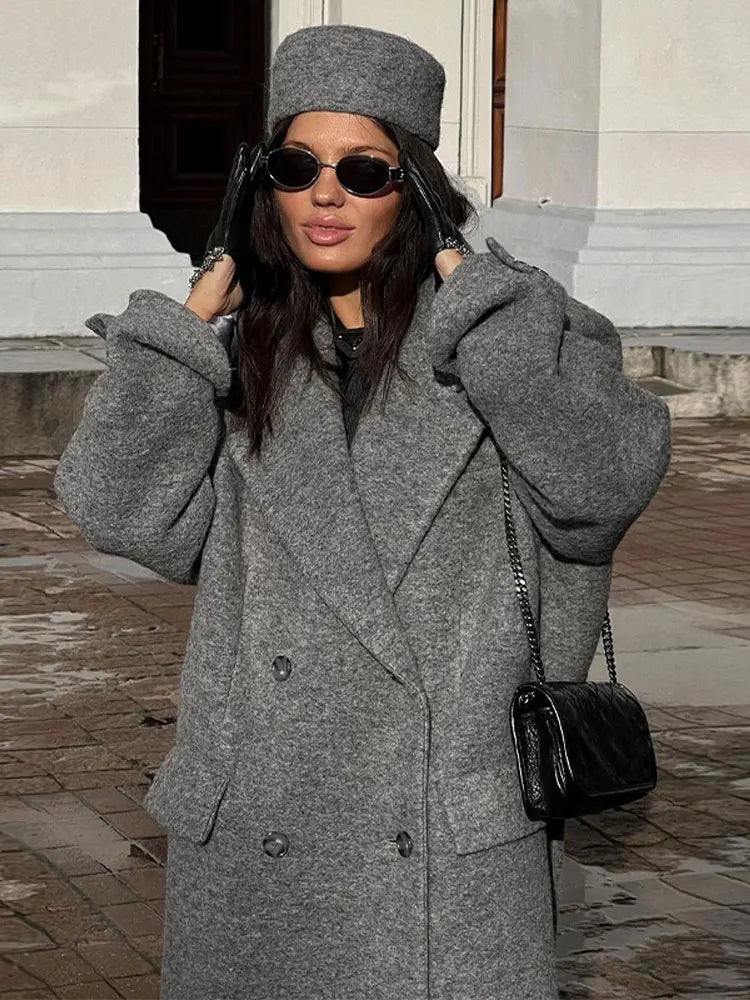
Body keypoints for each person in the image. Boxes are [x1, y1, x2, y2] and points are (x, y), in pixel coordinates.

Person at [54, 23, 671, 1000]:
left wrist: (487, 315)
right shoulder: (243, 355)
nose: (326, 194)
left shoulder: (519, 339)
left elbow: (595, 495)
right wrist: (188, 318)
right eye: (296, 166)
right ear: (264, 187)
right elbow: (120, 510)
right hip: (257, 837)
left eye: (365, 170)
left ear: (416, 187)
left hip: (441, 843)